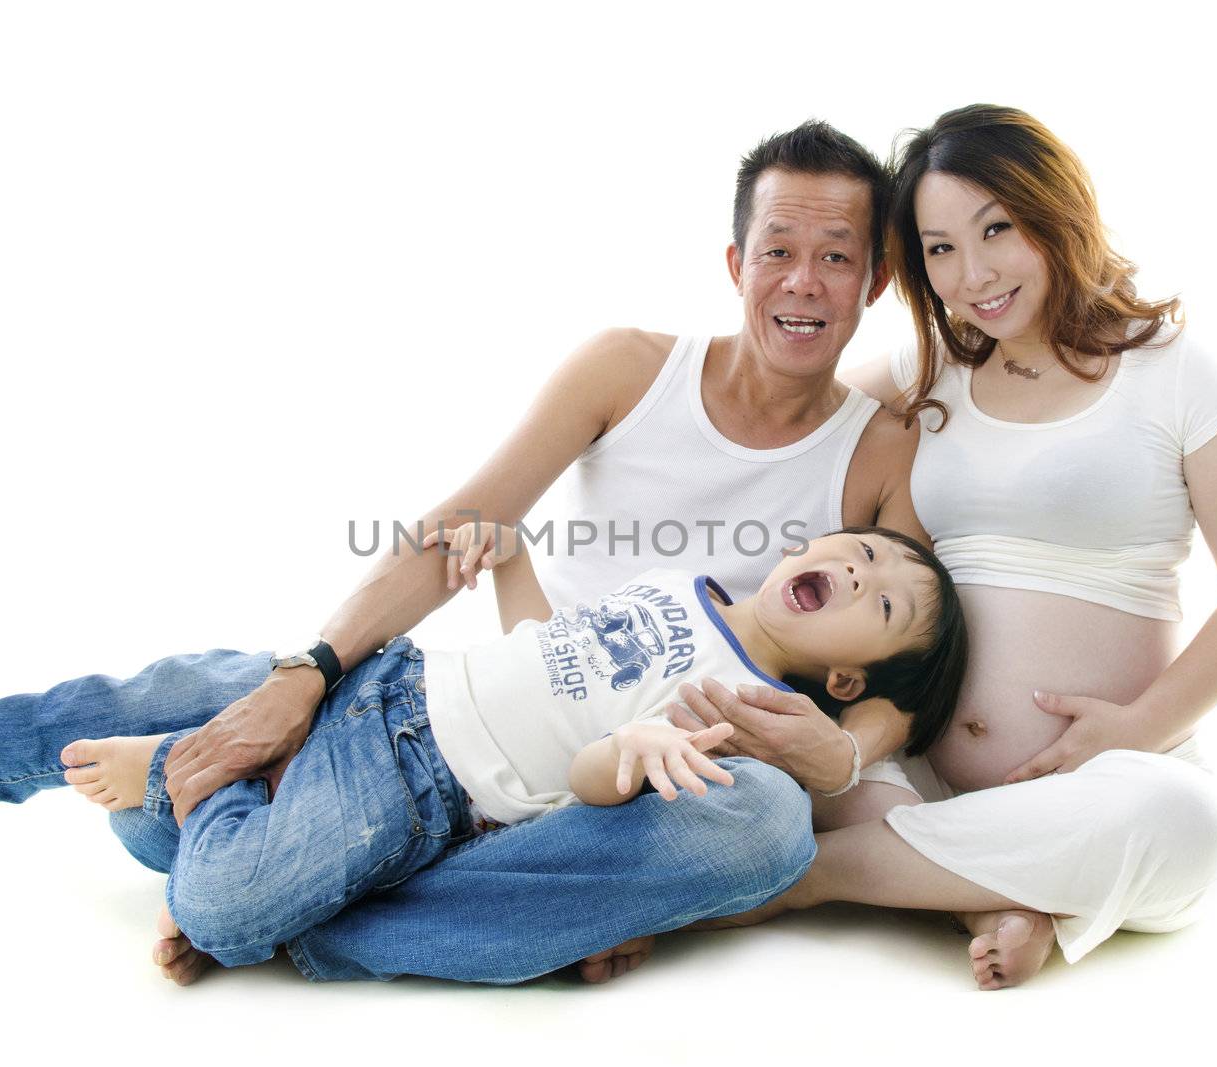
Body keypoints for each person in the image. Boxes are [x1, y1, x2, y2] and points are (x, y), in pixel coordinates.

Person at [92, 119, 932, 985]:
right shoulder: (629, 369)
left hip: (637, 777)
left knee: (769, 825)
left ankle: (316, 904)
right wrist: (310, 669)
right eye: (777, 250)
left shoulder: (879, 448)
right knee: (143, 820)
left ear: (874, 282)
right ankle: (508, 905)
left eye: (836, 257)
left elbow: (915, 669)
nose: (802, 281)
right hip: (499, 718)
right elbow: (460, 523)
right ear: (735, 264)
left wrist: (847, 754)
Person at [658, 104, 1217, 989]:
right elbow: (788, 425)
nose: (973, 274)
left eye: (995, 229)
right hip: (909, 770)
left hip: (1110, 774)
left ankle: (814, 877)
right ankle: (990, 890)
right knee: (784, 768)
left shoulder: (1172, 370)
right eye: (939, 248)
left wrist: (1138, 728)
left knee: (1186, 829)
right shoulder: (928, 374)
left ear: (1053, 212)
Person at [0, 527, 966, 978]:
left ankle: (182, 786)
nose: (861, 570)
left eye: (882, 601)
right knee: (159, 687)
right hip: (402, 679)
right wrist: (512, 560)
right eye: (863, 551)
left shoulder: (749, 708)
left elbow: (579, 779)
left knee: (204, 879)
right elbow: (543, 644)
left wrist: (628, 752)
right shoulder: (687, 586)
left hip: (422, 780)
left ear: (847, 680)